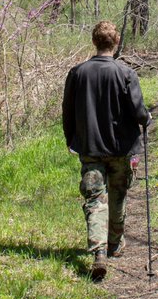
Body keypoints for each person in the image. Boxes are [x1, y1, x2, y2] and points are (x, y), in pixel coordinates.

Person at [62, 20, 151, 282]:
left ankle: (99, 249)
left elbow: (68, 110)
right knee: (118, 194)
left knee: (94, 199)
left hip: (90, 147)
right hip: (121, 148)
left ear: (94, 42)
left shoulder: (77, 73)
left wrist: (71, 138)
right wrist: (146, 120)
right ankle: (114, 244)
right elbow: (138, 110)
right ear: (116, 42)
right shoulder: (125, 74)